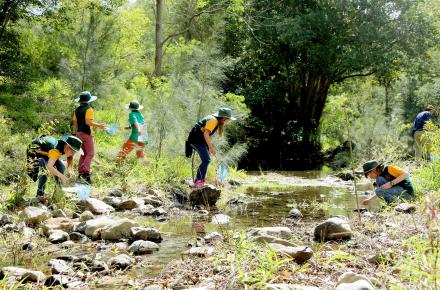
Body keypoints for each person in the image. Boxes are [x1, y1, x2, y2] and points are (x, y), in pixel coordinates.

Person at [186, 108, 236, 188]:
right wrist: (210, 147)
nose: (228, 122)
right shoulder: (213, 121)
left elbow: (205, 134)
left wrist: (210, 146)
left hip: (198, 140)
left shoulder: (213, 119)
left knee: (206, 159)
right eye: (228, 120)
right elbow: (206, 134)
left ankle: (198, 181)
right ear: (224, 118)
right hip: (195, 140)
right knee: (206, 160)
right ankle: (198, 182)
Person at [27, 135, 83, 203]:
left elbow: (57, 162)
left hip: (45, 152)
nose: (72, 154)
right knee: (45, 171)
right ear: (67, 146)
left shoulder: (62, 147)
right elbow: (49, 167)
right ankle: (39, 194)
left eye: (75, 152)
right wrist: (62, 176)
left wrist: (65, 177)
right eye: (72, 152)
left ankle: (58, 192)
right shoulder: (56, 150)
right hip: (34, 151)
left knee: (61, 166)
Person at [72, 91, 107, 184]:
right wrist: (100, 126)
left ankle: (80, 173)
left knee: (83, 154)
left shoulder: (76, 110)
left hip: (79, 133)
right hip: (86, 133)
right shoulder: (89, 109)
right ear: (88, 101)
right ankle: (85, 174)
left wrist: (74, 135)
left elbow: (75, 124)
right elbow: (88, 122)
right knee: (90, 154)